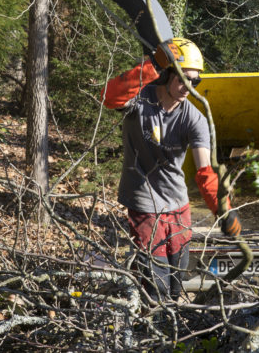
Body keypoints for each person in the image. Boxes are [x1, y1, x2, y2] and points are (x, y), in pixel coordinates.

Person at [101, 38, 241, 302]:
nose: (189, 87)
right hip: (144, 204)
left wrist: (223, 210)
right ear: (166, 75)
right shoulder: (139, 102)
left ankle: (174, 327)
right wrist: (151, 64)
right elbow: (109, 96)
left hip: (178, 206)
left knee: (177, 278)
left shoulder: (194, 119)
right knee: (154, 281)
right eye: (183, 79)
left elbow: (204, 171)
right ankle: (150, 328)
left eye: (195, 81)